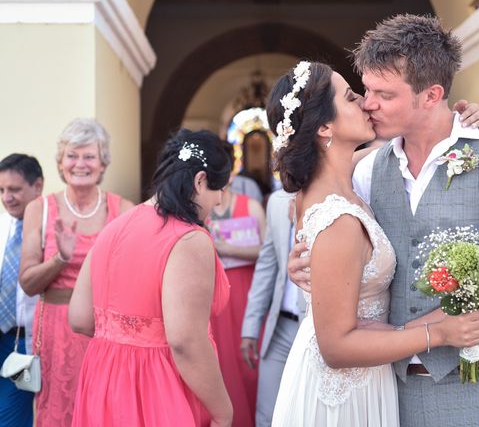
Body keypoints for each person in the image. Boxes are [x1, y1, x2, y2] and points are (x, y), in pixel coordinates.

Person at [289, 14, 479, 427]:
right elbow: (347, 249)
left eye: (384, 94)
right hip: (395, 395)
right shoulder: (368, 172)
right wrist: (308, 264)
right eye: (365, 90)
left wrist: (435, 332)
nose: (369, 103)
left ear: (431, 94)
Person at [266, 60, 479, 426]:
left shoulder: (341, 178)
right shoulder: (338, 218)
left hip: (368, 376)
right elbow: (336, 347)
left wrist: (455, 123)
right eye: (353, 97)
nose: (367, 104)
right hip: (342, 392)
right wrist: (438, 332)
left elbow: (416, 145)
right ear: (325, 126)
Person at [69, 129, 233, 426]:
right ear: (200, 181)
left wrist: (124, 340)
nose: (219, 200)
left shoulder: (113, 228)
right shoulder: (188, 240)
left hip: (102, 383)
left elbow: (79, 318)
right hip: (160, 387)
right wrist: (223, 412)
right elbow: (185, 341)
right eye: (219, 188)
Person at [19, 118, 135, 426]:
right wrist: (61, 258)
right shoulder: (39, 209)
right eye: (72, 155)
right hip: (55, 331)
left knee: (103, 410)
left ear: (102, 162)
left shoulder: (123, 210)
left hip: (103, 332)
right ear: (60, 162)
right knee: (56, 412)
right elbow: (28, 283)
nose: (80, 164)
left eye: (89, 156)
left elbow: (134, 280)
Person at [208, 142, 266, 427]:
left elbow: (268, 253)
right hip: (212, 291)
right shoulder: (200, 210)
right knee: (218, 363)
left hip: (245, 289)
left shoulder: (251, 206)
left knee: (249, 367)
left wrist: (226, 248)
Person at [240, 189, 305, 427]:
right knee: (267, 414)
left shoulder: (337, 198)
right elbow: (267, 266)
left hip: (315, 329)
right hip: (279, 326)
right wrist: (251, 327)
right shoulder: (277, 203)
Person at [0, 154, 43, 427]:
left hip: (29, 342)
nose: (7, 197)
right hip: (2, 337)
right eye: (2, 190)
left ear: (38, 186)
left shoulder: (51, 229)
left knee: (12, 419)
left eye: (14, 189)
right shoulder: (3, 226)